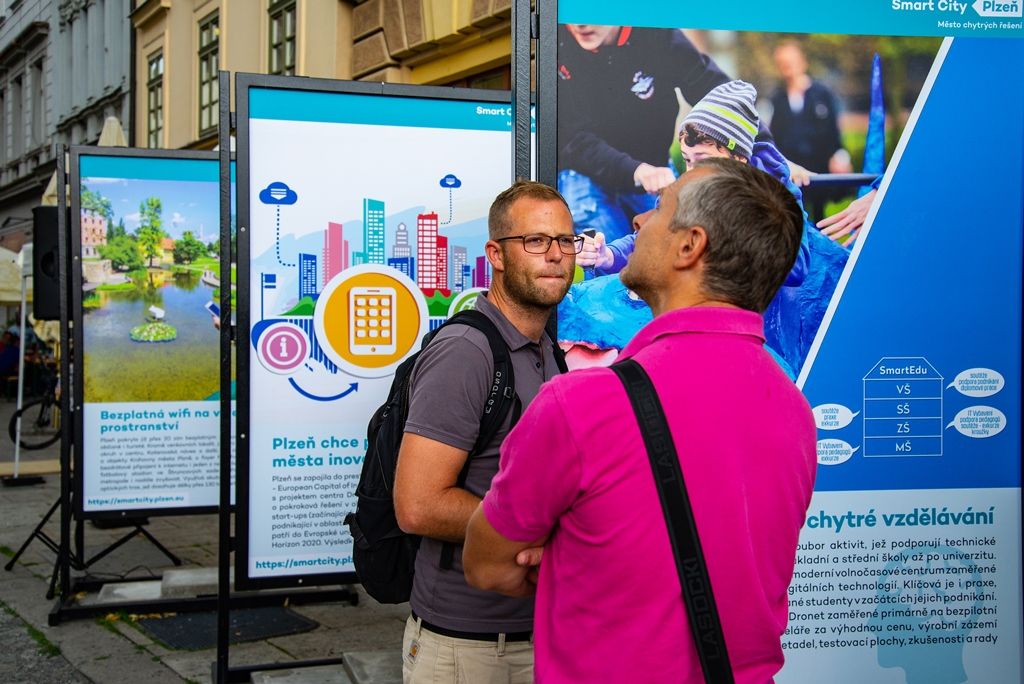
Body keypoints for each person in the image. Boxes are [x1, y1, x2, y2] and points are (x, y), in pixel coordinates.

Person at [464, 158, 818, 683]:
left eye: (658, 207)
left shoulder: (582, 405)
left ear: (688, 246)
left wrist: (567, 554)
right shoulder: (795, 411)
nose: (637, 223)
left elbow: (487, 563)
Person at [393, 181, 579, 683]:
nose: (556, 255)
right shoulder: (467, 352)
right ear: (496, 254)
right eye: (536, 241)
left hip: (541, 632)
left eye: (566, 240)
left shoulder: (547, 351)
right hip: (468, 648)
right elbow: (418, 505)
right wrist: (554, 532)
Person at [572, 80, 847, 376]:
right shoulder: (694, 189)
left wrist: (727, 240)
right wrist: (609, 256)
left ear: (739, 158)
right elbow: (655, 234)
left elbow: (796, 266)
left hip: (774, 323)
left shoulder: (774, 196)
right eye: (687, 161)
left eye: (702, 160)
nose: (692, 172)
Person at [769, 40, 852, 175]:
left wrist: (841, 158)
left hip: (821, 173)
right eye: (782, 63)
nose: (787, 67)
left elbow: (835, 135)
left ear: (803, 62)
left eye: (791, 62)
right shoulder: (776, 100)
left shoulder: (823, 94)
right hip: (791, 176)